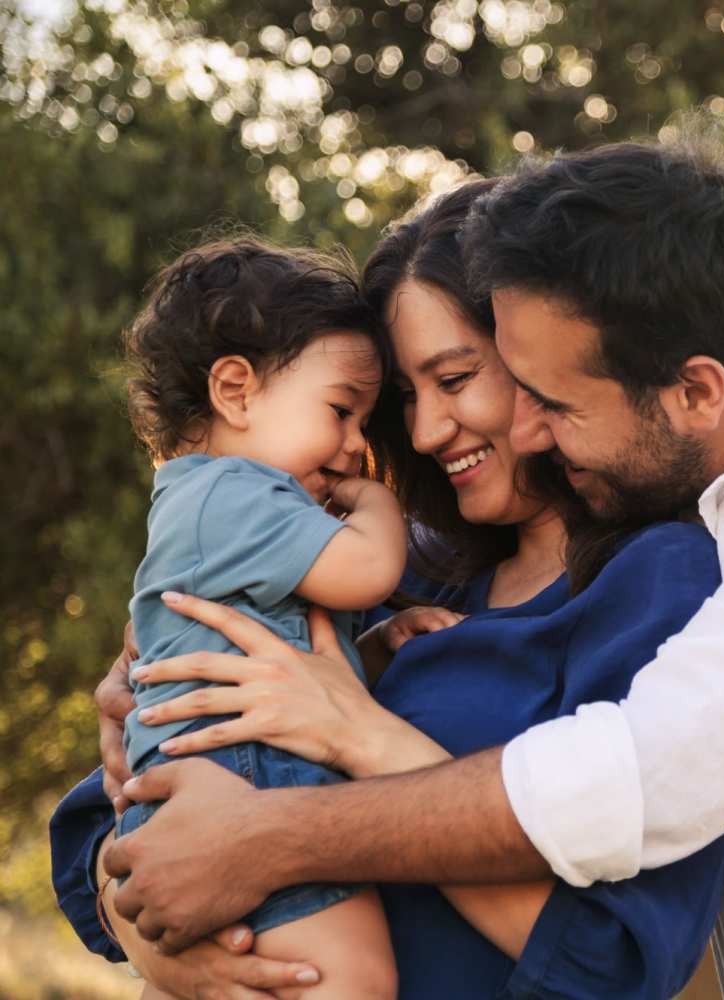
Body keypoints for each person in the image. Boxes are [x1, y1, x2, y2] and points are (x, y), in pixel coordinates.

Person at [51, 181, 724, 999]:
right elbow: (102, 830)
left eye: (454, 378)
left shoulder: (665, 582)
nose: (422, 432)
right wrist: (172, 946)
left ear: (541, 357)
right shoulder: (390, 567)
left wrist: (355, 734)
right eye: (405, 398)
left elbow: (618, 962)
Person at [108, 236, 414, 999]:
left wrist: (374, 647)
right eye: (343, 412)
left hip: (204, 779)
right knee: (349, 978)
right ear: (236, 391)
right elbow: (368, 569)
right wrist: (379, 507)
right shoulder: (241, 493)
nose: (352, 449)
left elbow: (289, 652)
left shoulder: (204, 502)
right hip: (246, 778)